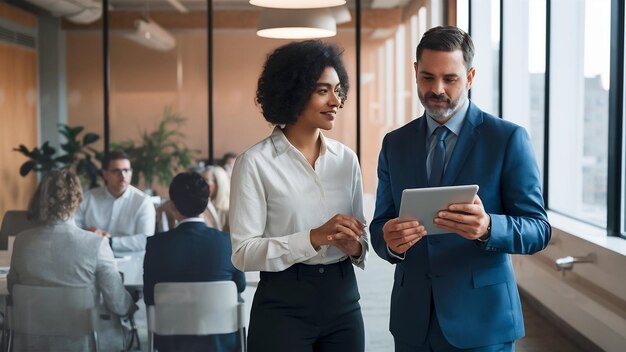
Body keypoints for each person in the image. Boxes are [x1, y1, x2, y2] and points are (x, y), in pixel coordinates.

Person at [370, 26, 551, 352]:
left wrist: (488, 227)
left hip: (482, 321)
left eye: (449, 79)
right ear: (415, 73)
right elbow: (379, 225)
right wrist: (391, 242)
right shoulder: (395, 143)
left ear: (470, 77)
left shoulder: (507, 139)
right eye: (427, 77)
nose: (437, 89)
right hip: (413, 322)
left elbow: (538, 229)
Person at [229, 40, 369, 352]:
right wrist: (313, 237)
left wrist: (356, 247)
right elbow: (243, 254)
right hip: (283, 305)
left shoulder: (347, 160)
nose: (336, 100)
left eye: (337, 89)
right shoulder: (254, 163)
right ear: (293, 93)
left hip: (343, 300)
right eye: (323, 90)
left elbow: (362, 236)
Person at [8, 169, 135, 351]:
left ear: (39, 199)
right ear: (77, 199)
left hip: (31, 342)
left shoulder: (21, 241)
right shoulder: (96, 244)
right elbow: (118, 304)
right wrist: (132, 305)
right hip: (86, 343)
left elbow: (13, 291)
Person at [144, 172, 245, 352]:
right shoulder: (228, 243)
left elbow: (149, 296)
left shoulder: (156, 245)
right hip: (221, 342)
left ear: (172, 205)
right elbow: (240, 286)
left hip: (172, 341)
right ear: (207, 202)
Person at [75, 150, 156, 254]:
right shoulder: (87, 198)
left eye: (126, 170)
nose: (123, 176)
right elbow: (72, 230)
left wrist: (110, 241)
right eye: (116, 171)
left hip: (131, 264)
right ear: (105, 174)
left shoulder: (143, 201)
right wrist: (88, 234)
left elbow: (145, 239)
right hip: (91, 260)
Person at [204, 165, 230, 231]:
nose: (201, 184)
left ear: (219, 183)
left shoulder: (229, 211)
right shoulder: (204, 207)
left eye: (206, 181)